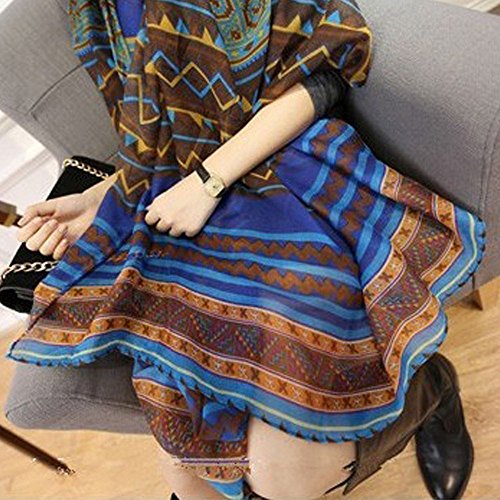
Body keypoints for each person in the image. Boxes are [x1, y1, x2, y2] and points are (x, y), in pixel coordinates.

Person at [7, 0, 483, 499]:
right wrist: (97, 199)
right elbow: (156, 129)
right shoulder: (89, 8)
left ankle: (431, 390)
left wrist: (208, 181)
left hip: (284, 176)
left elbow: (323, 71)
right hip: (178, 197)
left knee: (284, 479)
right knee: (188, 473)